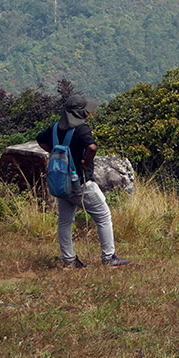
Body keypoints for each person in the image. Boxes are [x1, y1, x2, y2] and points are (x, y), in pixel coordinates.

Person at [47, 108, 129, 269]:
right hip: (81, 183)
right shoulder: (80, 128)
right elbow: (92, 147)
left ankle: (69, 260)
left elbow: (40, 140)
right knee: (103, 216)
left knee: (64, 221)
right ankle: (109, 258)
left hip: (62, 182)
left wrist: (56, 154)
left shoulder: (55, 128)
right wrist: (85, 162)